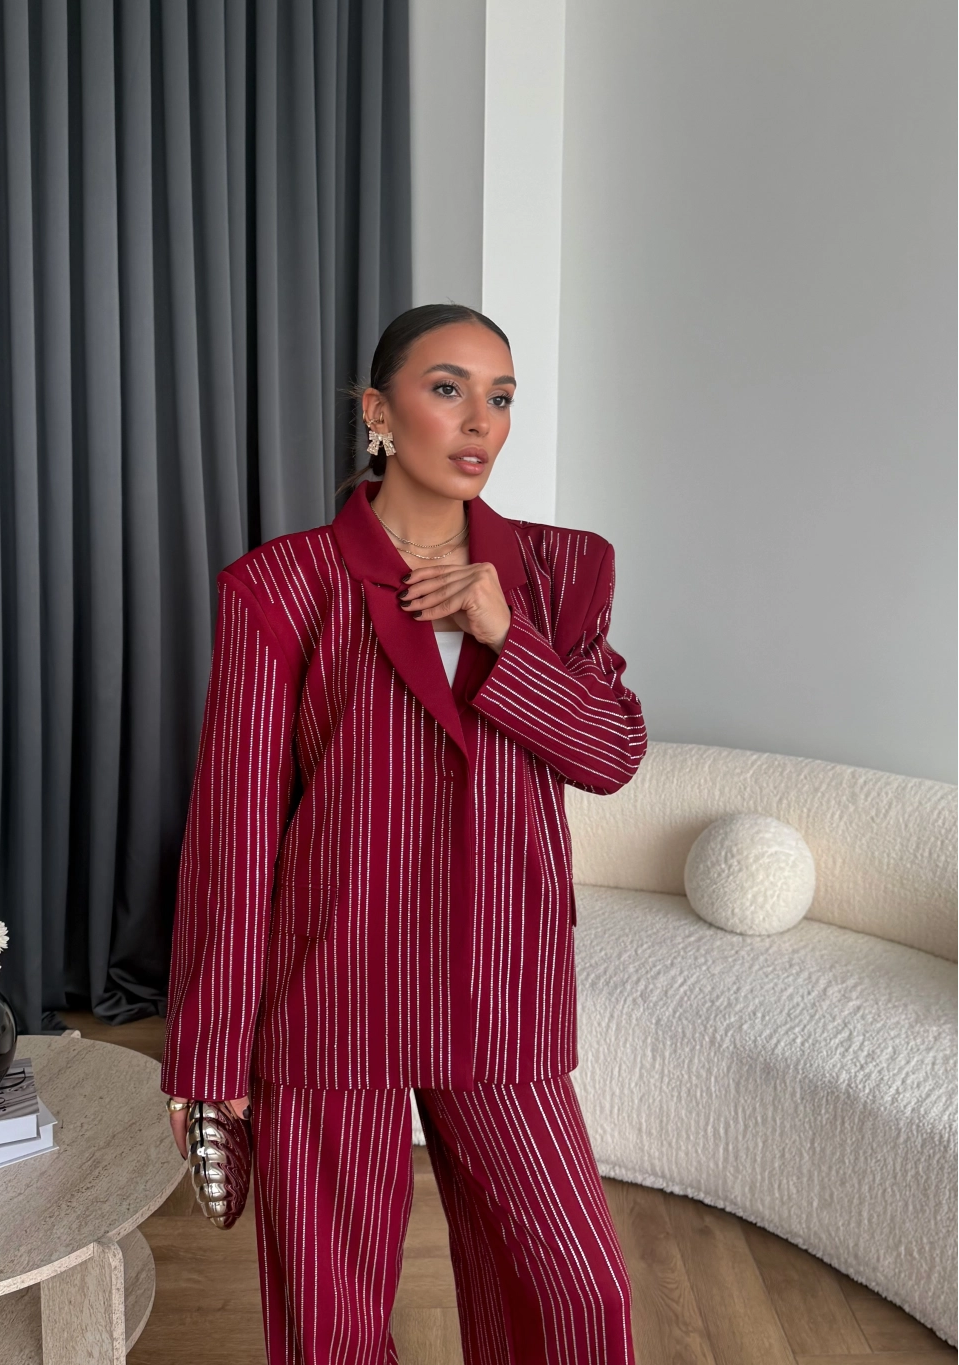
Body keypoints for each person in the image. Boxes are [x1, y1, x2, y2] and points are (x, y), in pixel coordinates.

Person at [160, 303, 647, 1364]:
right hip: (332, 988)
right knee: (330, 1326)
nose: (479, 421)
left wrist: (505, 636)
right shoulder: (283, 584)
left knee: (577, 1292)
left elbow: (610, 754)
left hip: (497, 981)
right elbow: (235, 831)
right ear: (378, 412)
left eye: (500, 397)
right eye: (447, 389)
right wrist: (213, 1049)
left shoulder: (562, 572)